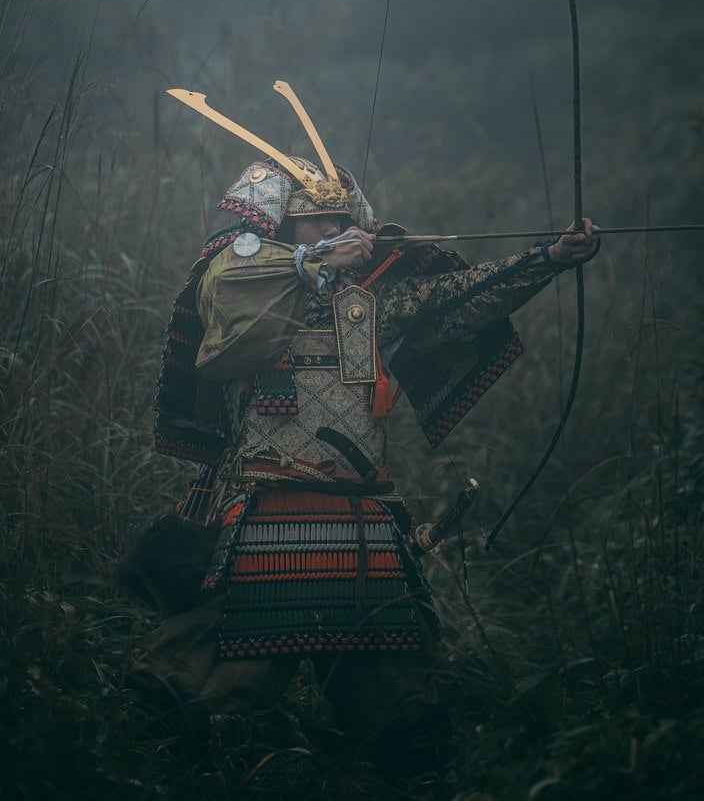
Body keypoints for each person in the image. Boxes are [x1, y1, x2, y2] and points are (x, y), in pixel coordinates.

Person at [131, 84, 600, 784]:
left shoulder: (374, 302)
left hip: (361, 519)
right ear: (284, 232)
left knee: (405, 712)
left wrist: (549, 257)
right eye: (312, 224)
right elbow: (220, 288)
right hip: (267, 513)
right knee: (196, 688)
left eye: (337, 222)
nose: (327, 232)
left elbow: (459, 301)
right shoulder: (247, 289)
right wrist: (313, 264)